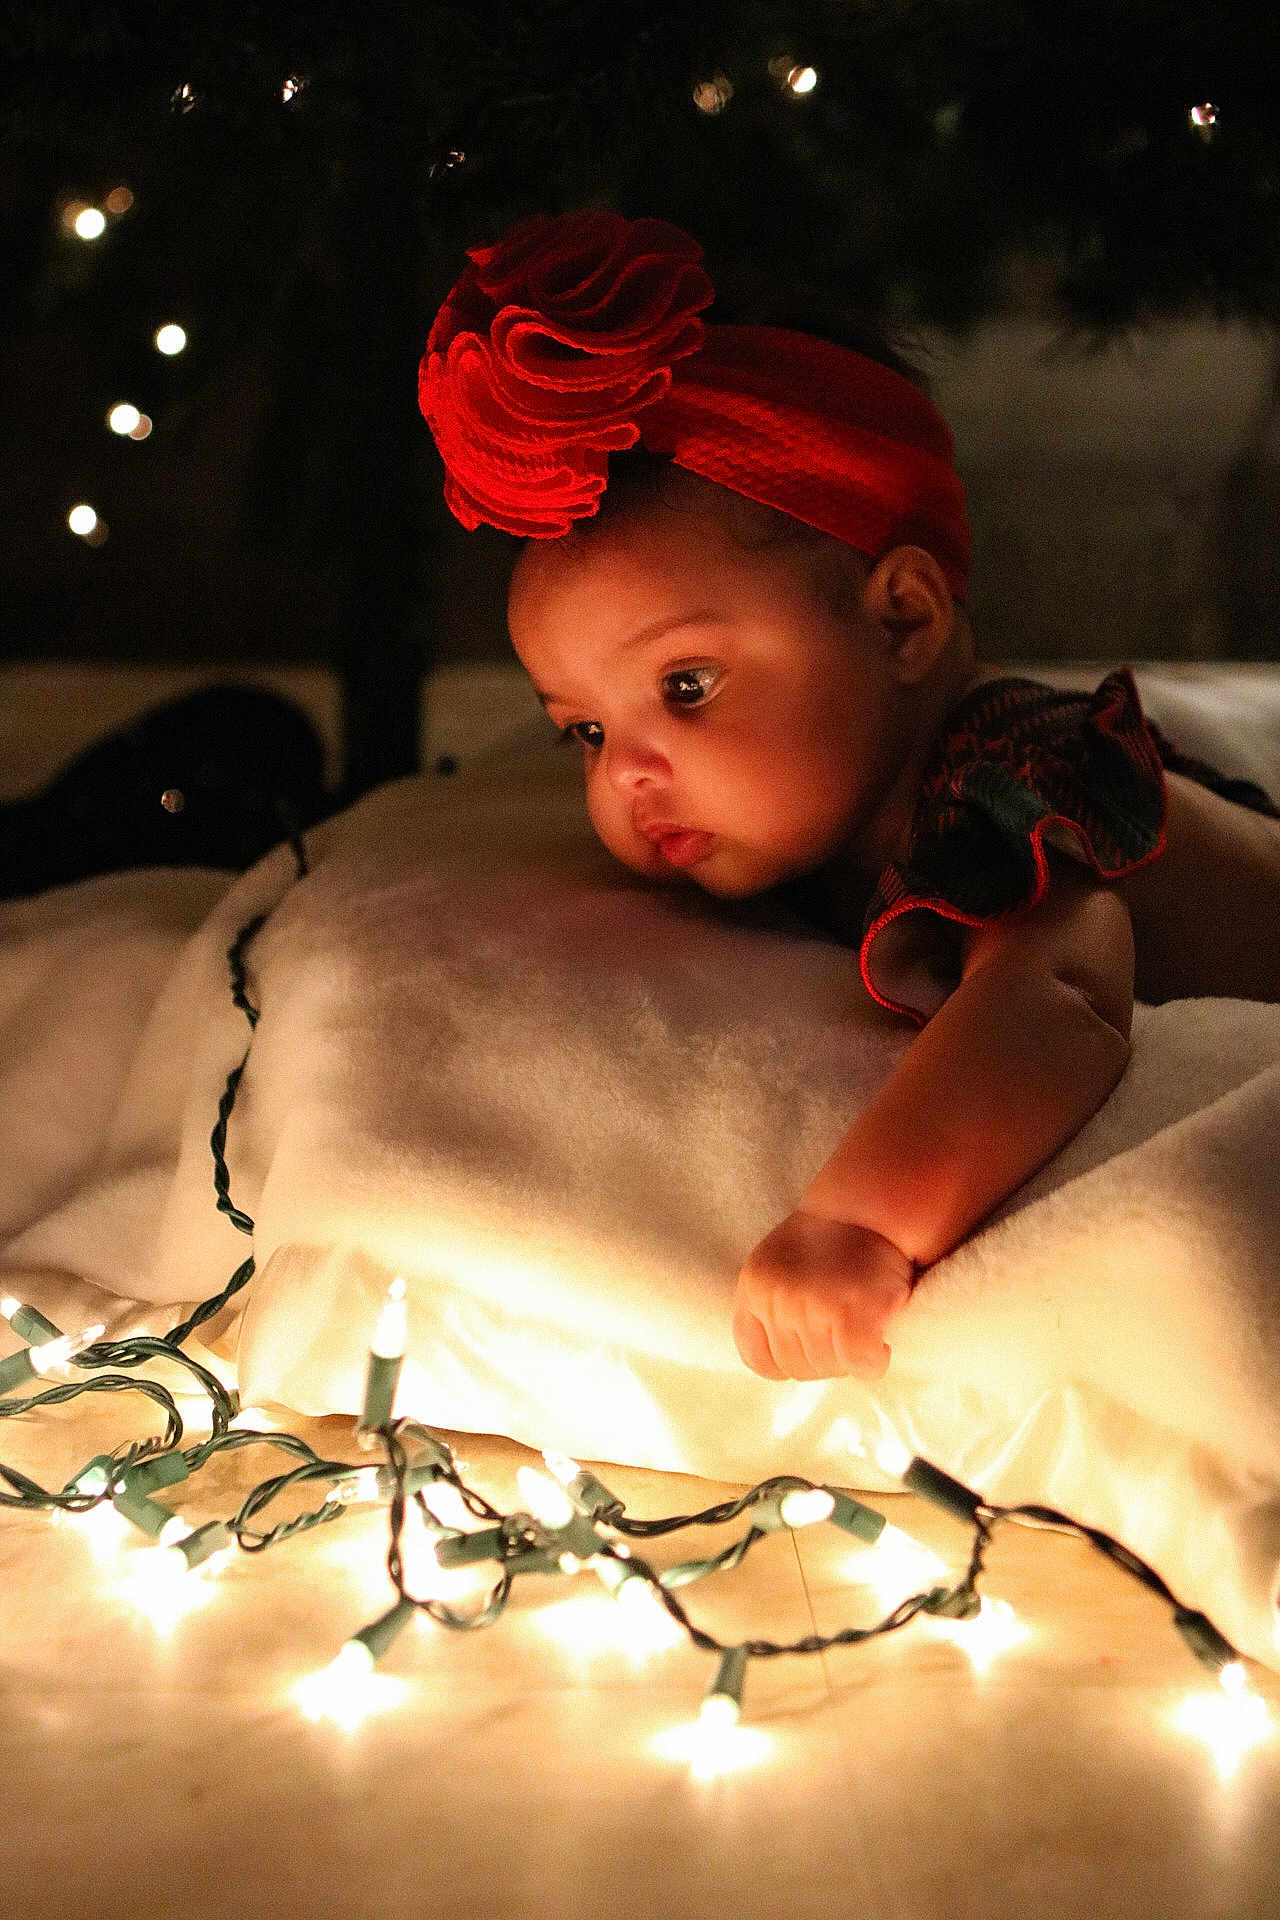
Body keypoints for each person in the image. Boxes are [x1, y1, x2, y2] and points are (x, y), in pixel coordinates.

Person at [418, 208, 1280, 1384]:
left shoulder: (1000, 771)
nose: (621, 771)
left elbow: (1060, 991)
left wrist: (859, 1223)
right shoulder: (816, 821)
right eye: (580, 727)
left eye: (684, 684)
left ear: (902, 619)